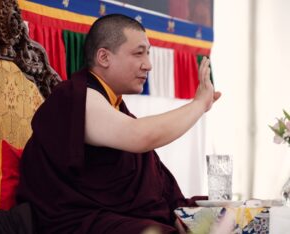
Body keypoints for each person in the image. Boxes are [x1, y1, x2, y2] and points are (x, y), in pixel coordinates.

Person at [16, 14, 221, 234]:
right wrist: (199, 105)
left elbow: (147, 185)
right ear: (104, 57)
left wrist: (177, 213)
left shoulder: (114, 107)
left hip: (116, 216)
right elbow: (141, 136)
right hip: (75, 220)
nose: (148, 65)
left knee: (224, 218)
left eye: (148, 54)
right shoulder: (76, 97)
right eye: (138, 53)